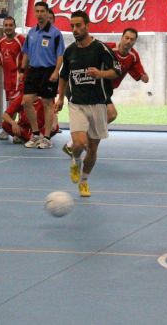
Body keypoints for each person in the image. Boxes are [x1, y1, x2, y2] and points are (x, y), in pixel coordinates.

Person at [56, 10, 119, 197]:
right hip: (77, 104)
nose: (74, 29)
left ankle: (84, 180)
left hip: (98, 104)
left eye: (78, 25)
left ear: (86, 26)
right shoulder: (70, 51)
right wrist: (60, 98)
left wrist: (100, 74)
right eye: (72, 26)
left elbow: (116, 71)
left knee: (92, 148)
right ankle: (75, 161)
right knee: (80, 143)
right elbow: (63, 76)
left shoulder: (101, 48)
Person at [62, 27, 149, 156]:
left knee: (108, 116)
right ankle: (75, 143)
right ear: (121, 37)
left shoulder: (133, 57)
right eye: (126, 38)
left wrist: (143, 76)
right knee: (111, 114)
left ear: (135, 42)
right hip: (93, 88)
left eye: (132, 39)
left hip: (104, 91)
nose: (128, 41)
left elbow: (140, 72)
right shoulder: (107, 48)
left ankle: (78, 142)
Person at [20, 1, 65, 149]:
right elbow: (25, 53)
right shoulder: (31, 33)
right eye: (37, 11)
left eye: (42, 11)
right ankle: (35, 134)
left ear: (47, 13)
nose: (39, 14)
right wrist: (21, 71)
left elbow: (60, 55)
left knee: (47, 104)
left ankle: (46, 138)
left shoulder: (56, 33)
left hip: (49, 70)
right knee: (26, 101)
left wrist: (56, 71)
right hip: (33, 71)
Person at [0, 16, 25, 140]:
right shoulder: (1, 42)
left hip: (19, 79)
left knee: (18, 105)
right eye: (6, 25)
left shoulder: (21, 39)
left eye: (11, 25)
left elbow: (27, 56)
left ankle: (18, 131)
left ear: (15, 26)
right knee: (11, 104)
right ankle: (11, 129)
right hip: (8, 80)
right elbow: (0, 58)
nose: (8, 27)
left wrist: (23, 72)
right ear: (3, 27)